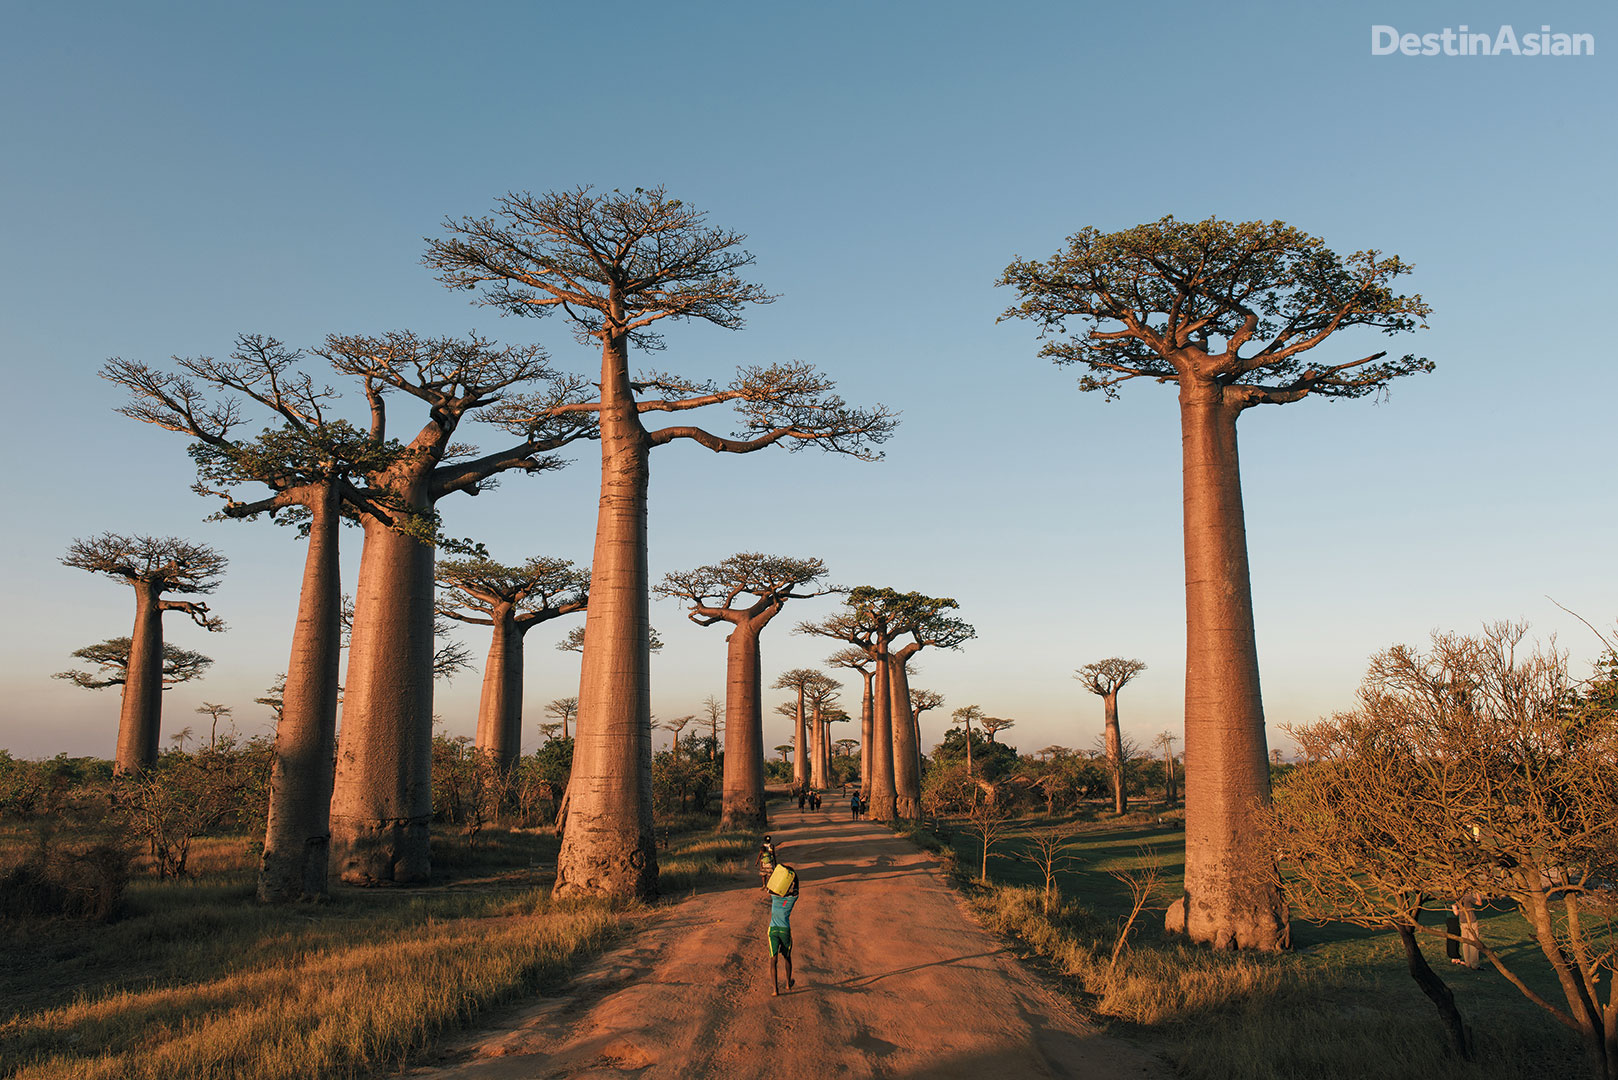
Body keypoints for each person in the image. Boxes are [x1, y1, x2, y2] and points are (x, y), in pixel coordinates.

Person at [767, 865, 800, 996]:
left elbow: (770, 887)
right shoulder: (791, 899)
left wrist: (780, 873)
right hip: (785, 930)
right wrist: (794, 875)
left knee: (773, 960)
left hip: (773, 930)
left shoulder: (775, 897)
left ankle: (775, 990)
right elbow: (796, 890)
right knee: (787, 957)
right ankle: (787, 983)